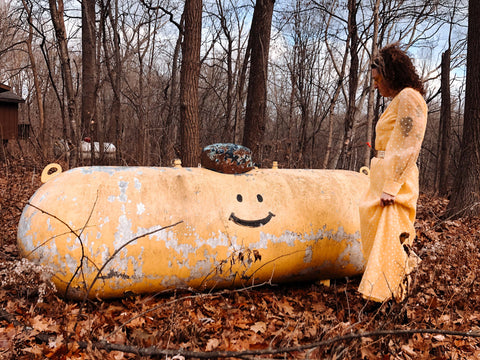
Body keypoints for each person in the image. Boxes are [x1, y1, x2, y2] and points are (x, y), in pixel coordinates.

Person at [358, 43, 428, 303]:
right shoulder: (399, 100)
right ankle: (385, 294)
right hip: (385, 177)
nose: (375, 85)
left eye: (377, 79)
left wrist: (392, 185)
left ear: (391, 74)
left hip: (395, 180)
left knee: (391, 237)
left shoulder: (410, 97)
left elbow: (408, 142)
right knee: (378, 235)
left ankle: (389, 297)